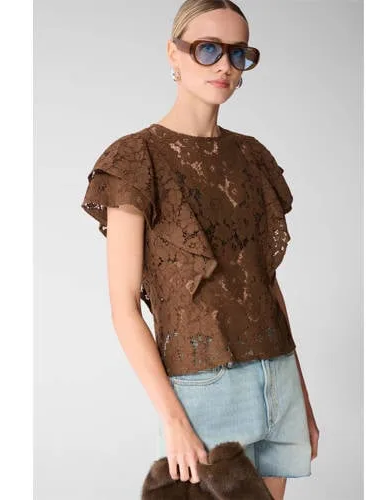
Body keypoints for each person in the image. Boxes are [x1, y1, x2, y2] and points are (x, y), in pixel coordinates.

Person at [81, 1, 319, 498]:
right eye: (208, 49)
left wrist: (302, 396)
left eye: (238, 53)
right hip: (204, 388)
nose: (225, 66)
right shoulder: (135, 159)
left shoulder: (252, 156)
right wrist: (173, 418)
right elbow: (124, 308)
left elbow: (266, 285)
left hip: (278, 375)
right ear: (173, 53)